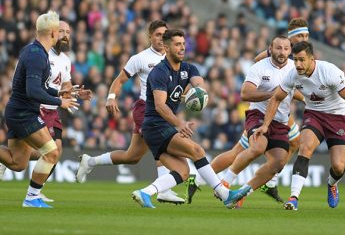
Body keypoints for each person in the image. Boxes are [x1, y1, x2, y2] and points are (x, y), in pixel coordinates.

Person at [186, 18, 309, 204]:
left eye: (306, 35)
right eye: (300, 35)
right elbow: (252, 84)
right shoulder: (268, 60)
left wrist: (307, 99)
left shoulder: (297, 62)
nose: (304, 38)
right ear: (290, 38)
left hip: (281, 115)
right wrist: (274, 93)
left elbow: (292, 91)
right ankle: (224, 184)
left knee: (268, 152)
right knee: (258, 147)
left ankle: (206, 179)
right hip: (259, 114)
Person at [76, 20, 185, 204]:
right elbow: (119, 80)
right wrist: (111, 97)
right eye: (157, 34)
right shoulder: (140, 58)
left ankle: (90, 161)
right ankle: (163, 190)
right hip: (146, 109)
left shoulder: (173, 59)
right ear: (149, 36)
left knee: (132, 156)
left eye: (164, 35)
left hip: (163, 110)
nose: (161, 38)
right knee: (161, 144)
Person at [131, 29, 239, 209]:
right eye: (177, 44)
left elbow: (199, 84)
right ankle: (225, 194)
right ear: (166, 47)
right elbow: (159, 105)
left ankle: (145, 193)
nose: (182, 48)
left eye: (183, 44)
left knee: (182, 171)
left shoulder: (188, 68)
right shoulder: (158, 72)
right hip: (155, 125)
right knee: (197, 150)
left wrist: (197, 93)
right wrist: (179, 123)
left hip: (162, 127)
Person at [0, 20, 93, 202]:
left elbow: (62, 85)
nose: (65, 35)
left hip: (48, 108)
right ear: (52, 33)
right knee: (52, 151)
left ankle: (34, 189)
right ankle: (33, 195)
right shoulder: (39, 54)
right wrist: (59, 100)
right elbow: (33, 88)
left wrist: (73, 93)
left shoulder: (65, 59)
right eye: (61, 31)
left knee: (19, 163)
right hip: (36, 108)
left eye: (68, 32)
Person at [254, 41, 345, 211]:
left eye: (302, 60)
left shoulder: (329, 72)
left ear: (312, 59)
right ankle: (293, 198)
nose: (297, 64)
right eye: (295, 60)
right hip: (314, 116)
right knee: (304, 148)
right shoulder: (292, 75)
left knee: (339, 166)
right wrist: (265, 125)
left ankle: (331, 183)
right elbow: (276, 98)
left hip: (338, 118)